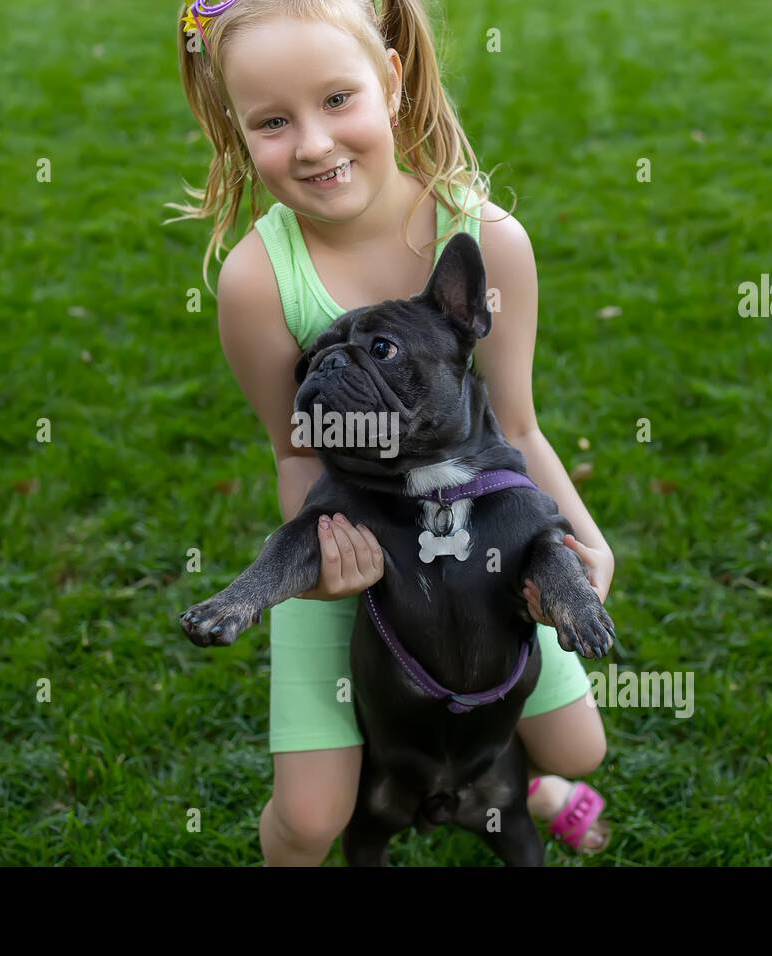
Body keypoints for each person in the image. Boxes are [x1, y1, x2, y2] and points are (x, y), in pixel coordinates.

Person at [166, 0, 616, 865]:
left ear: (393, 82)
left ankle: (534, 783)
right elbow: (296, 453)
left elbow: (517, 423)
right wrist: (331, 573)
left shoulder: (486, 239)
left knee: (578, 748)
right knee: (310, 821)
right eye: (272, 121)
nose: (312, 144)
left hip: (486, 544)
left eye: (338, 100)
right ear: (235, 127)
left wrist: (588, 546)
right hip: (353, 541)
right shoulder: (260, 280)